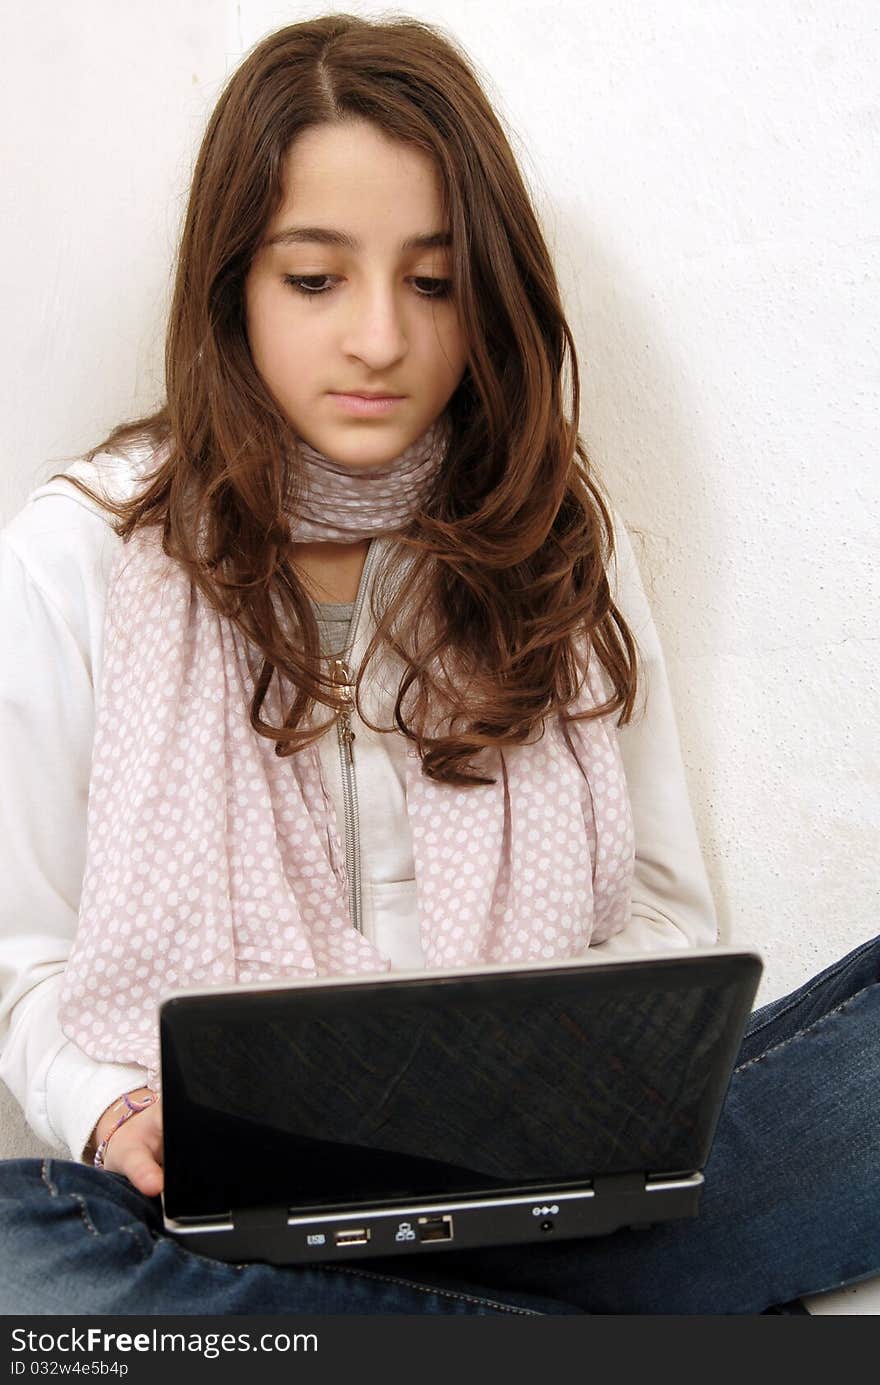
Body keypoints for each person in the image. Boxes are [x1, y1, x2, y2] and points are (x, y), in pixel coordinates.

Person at [0, 13, 877, 1316]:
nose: (376, 339)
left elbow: (666, 919)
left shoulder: (559, 541)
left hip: (542, 1161)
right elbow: (28, 958)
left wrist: (505, 1084)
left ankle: (403, 1317)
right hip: (217, 1198)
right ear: (232, 284)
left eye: (432, 279)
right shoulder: (84, 553)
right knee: (24, 1253)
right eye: (314, 279)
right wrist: (110, 1105)